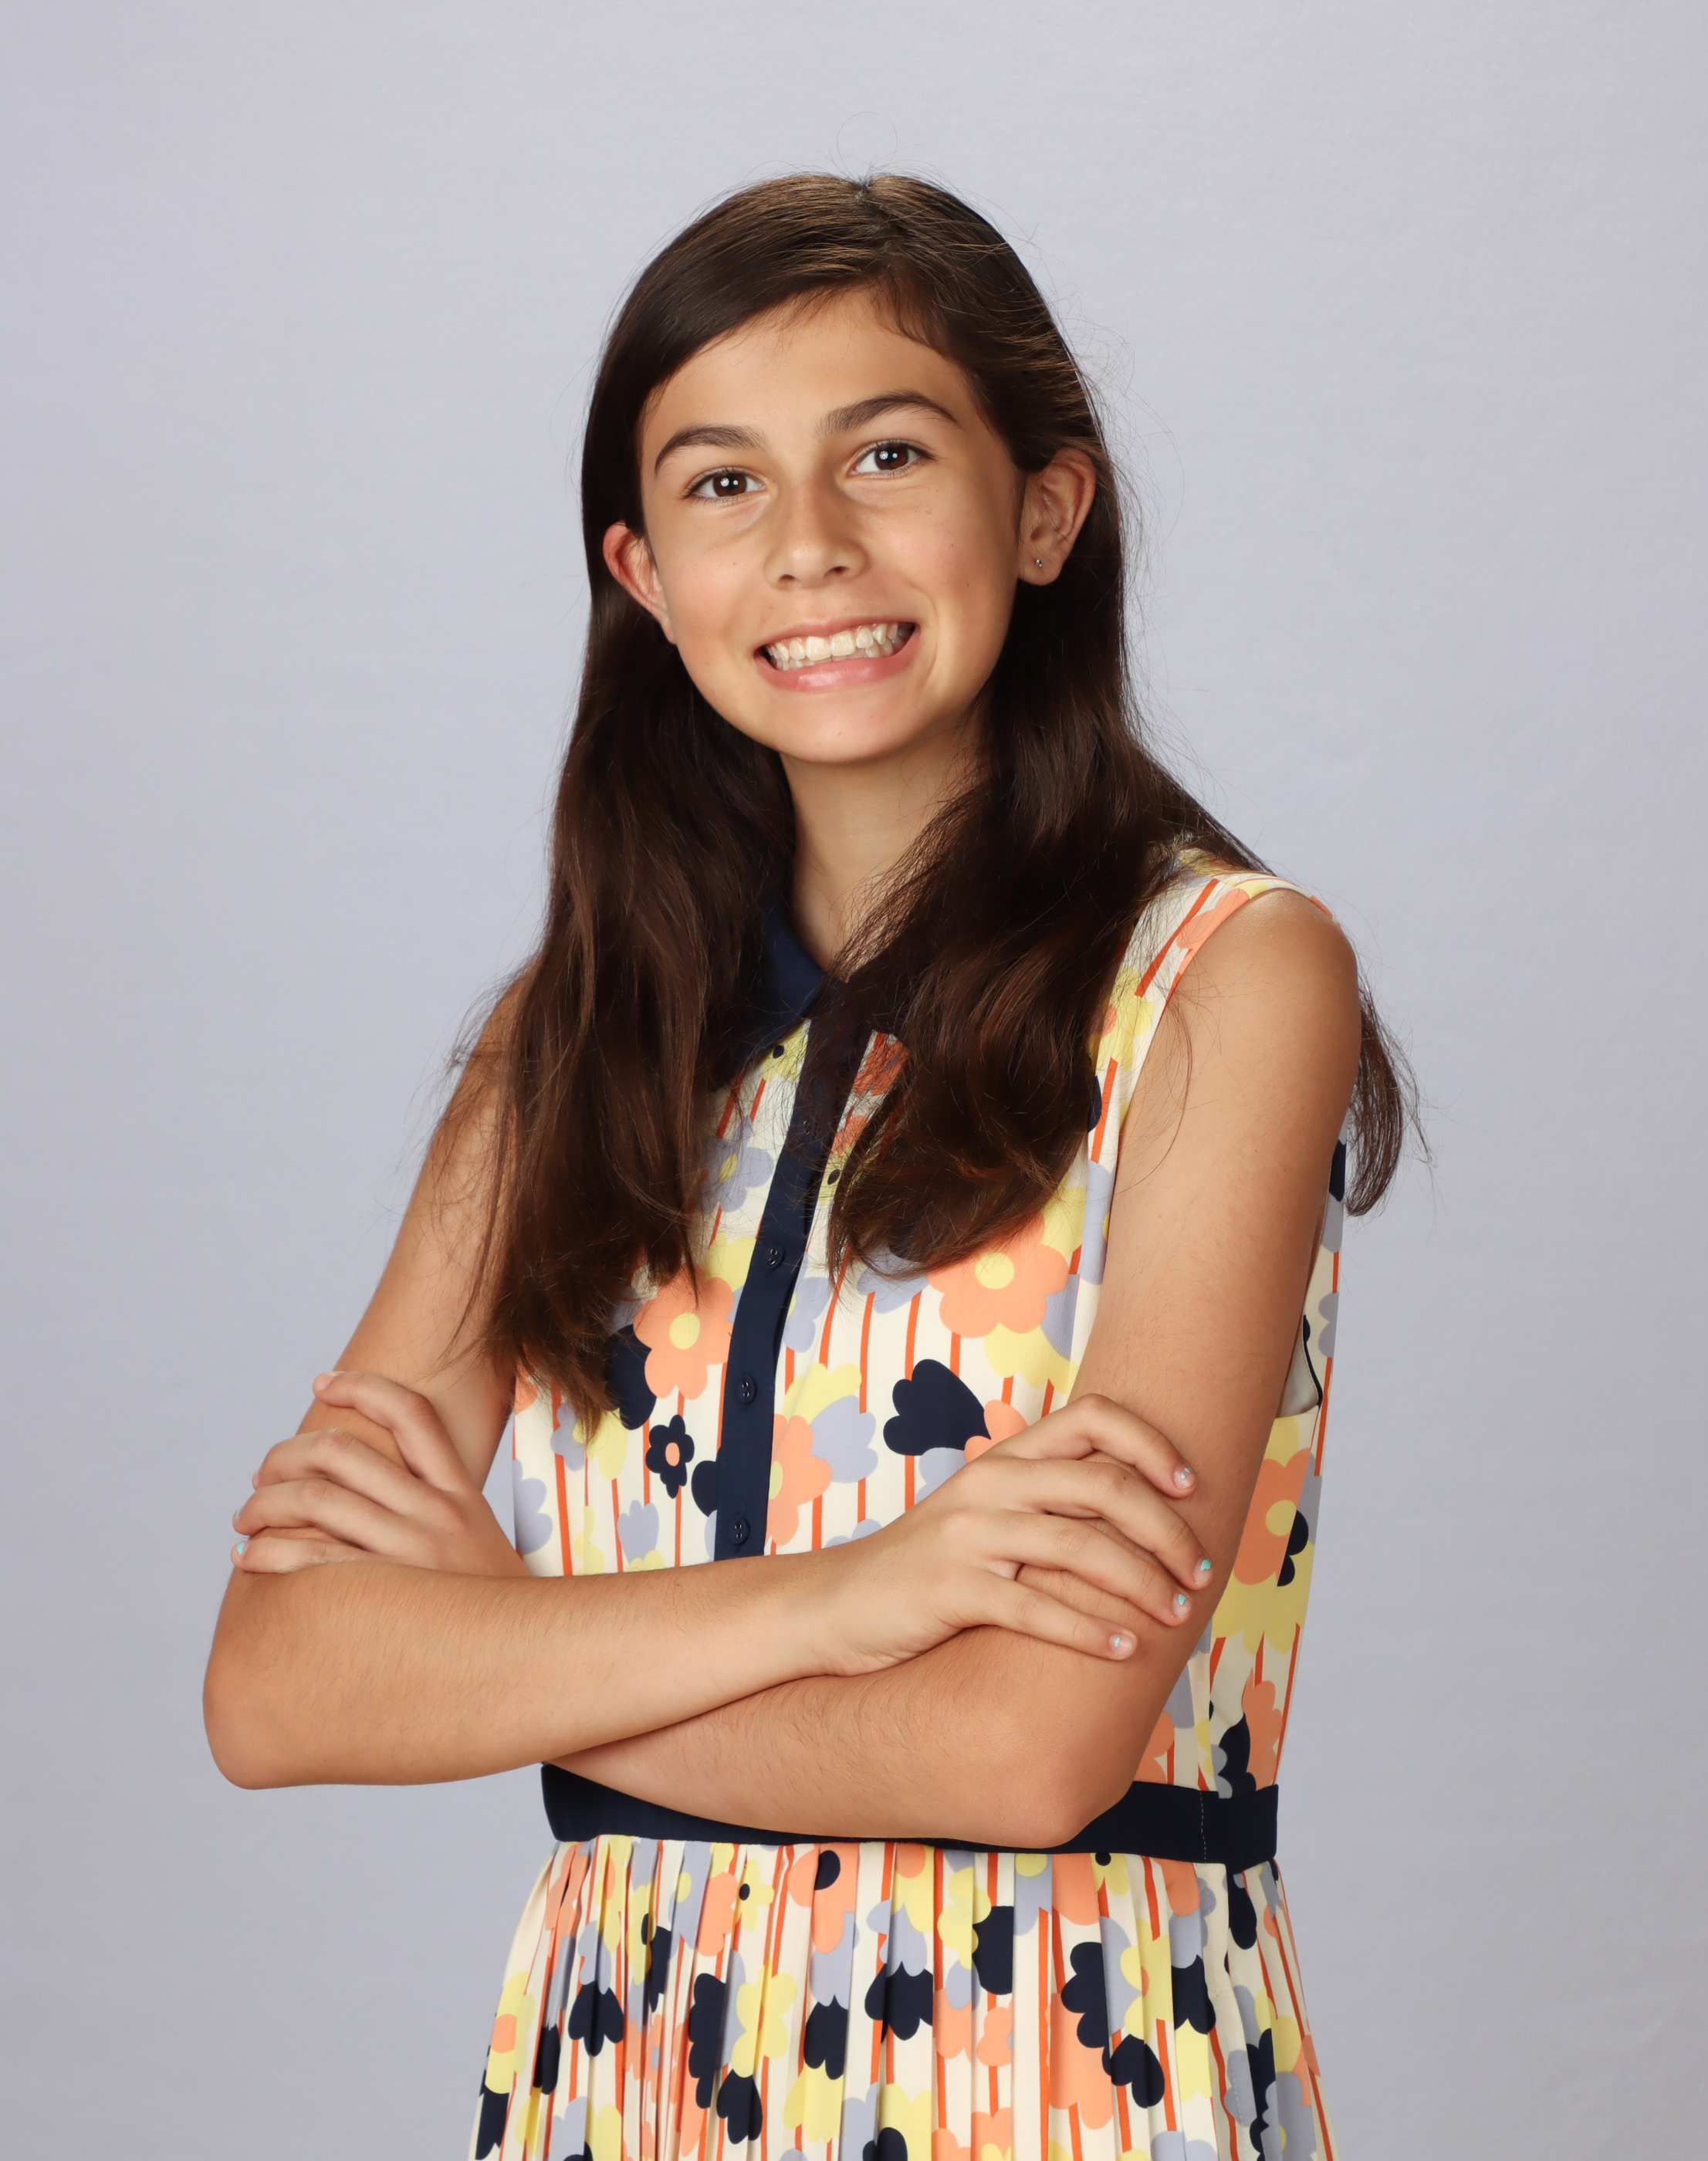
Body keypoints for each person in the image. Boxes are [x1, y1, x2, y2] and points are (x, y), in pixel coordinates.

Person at [204, 172, 1410, 2161]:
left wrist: (501, 1646)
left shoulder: (1222, 982)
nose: (811, 546)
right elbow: (279, 1687)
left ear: (1045, 509)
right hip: (623, 2074)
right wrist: (855, 1600)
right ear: (641, 571)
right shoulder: (563, 1046)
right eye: (723, 484)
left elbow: (1027, 1753)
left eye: (888, 453)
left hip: (1062, 2075)